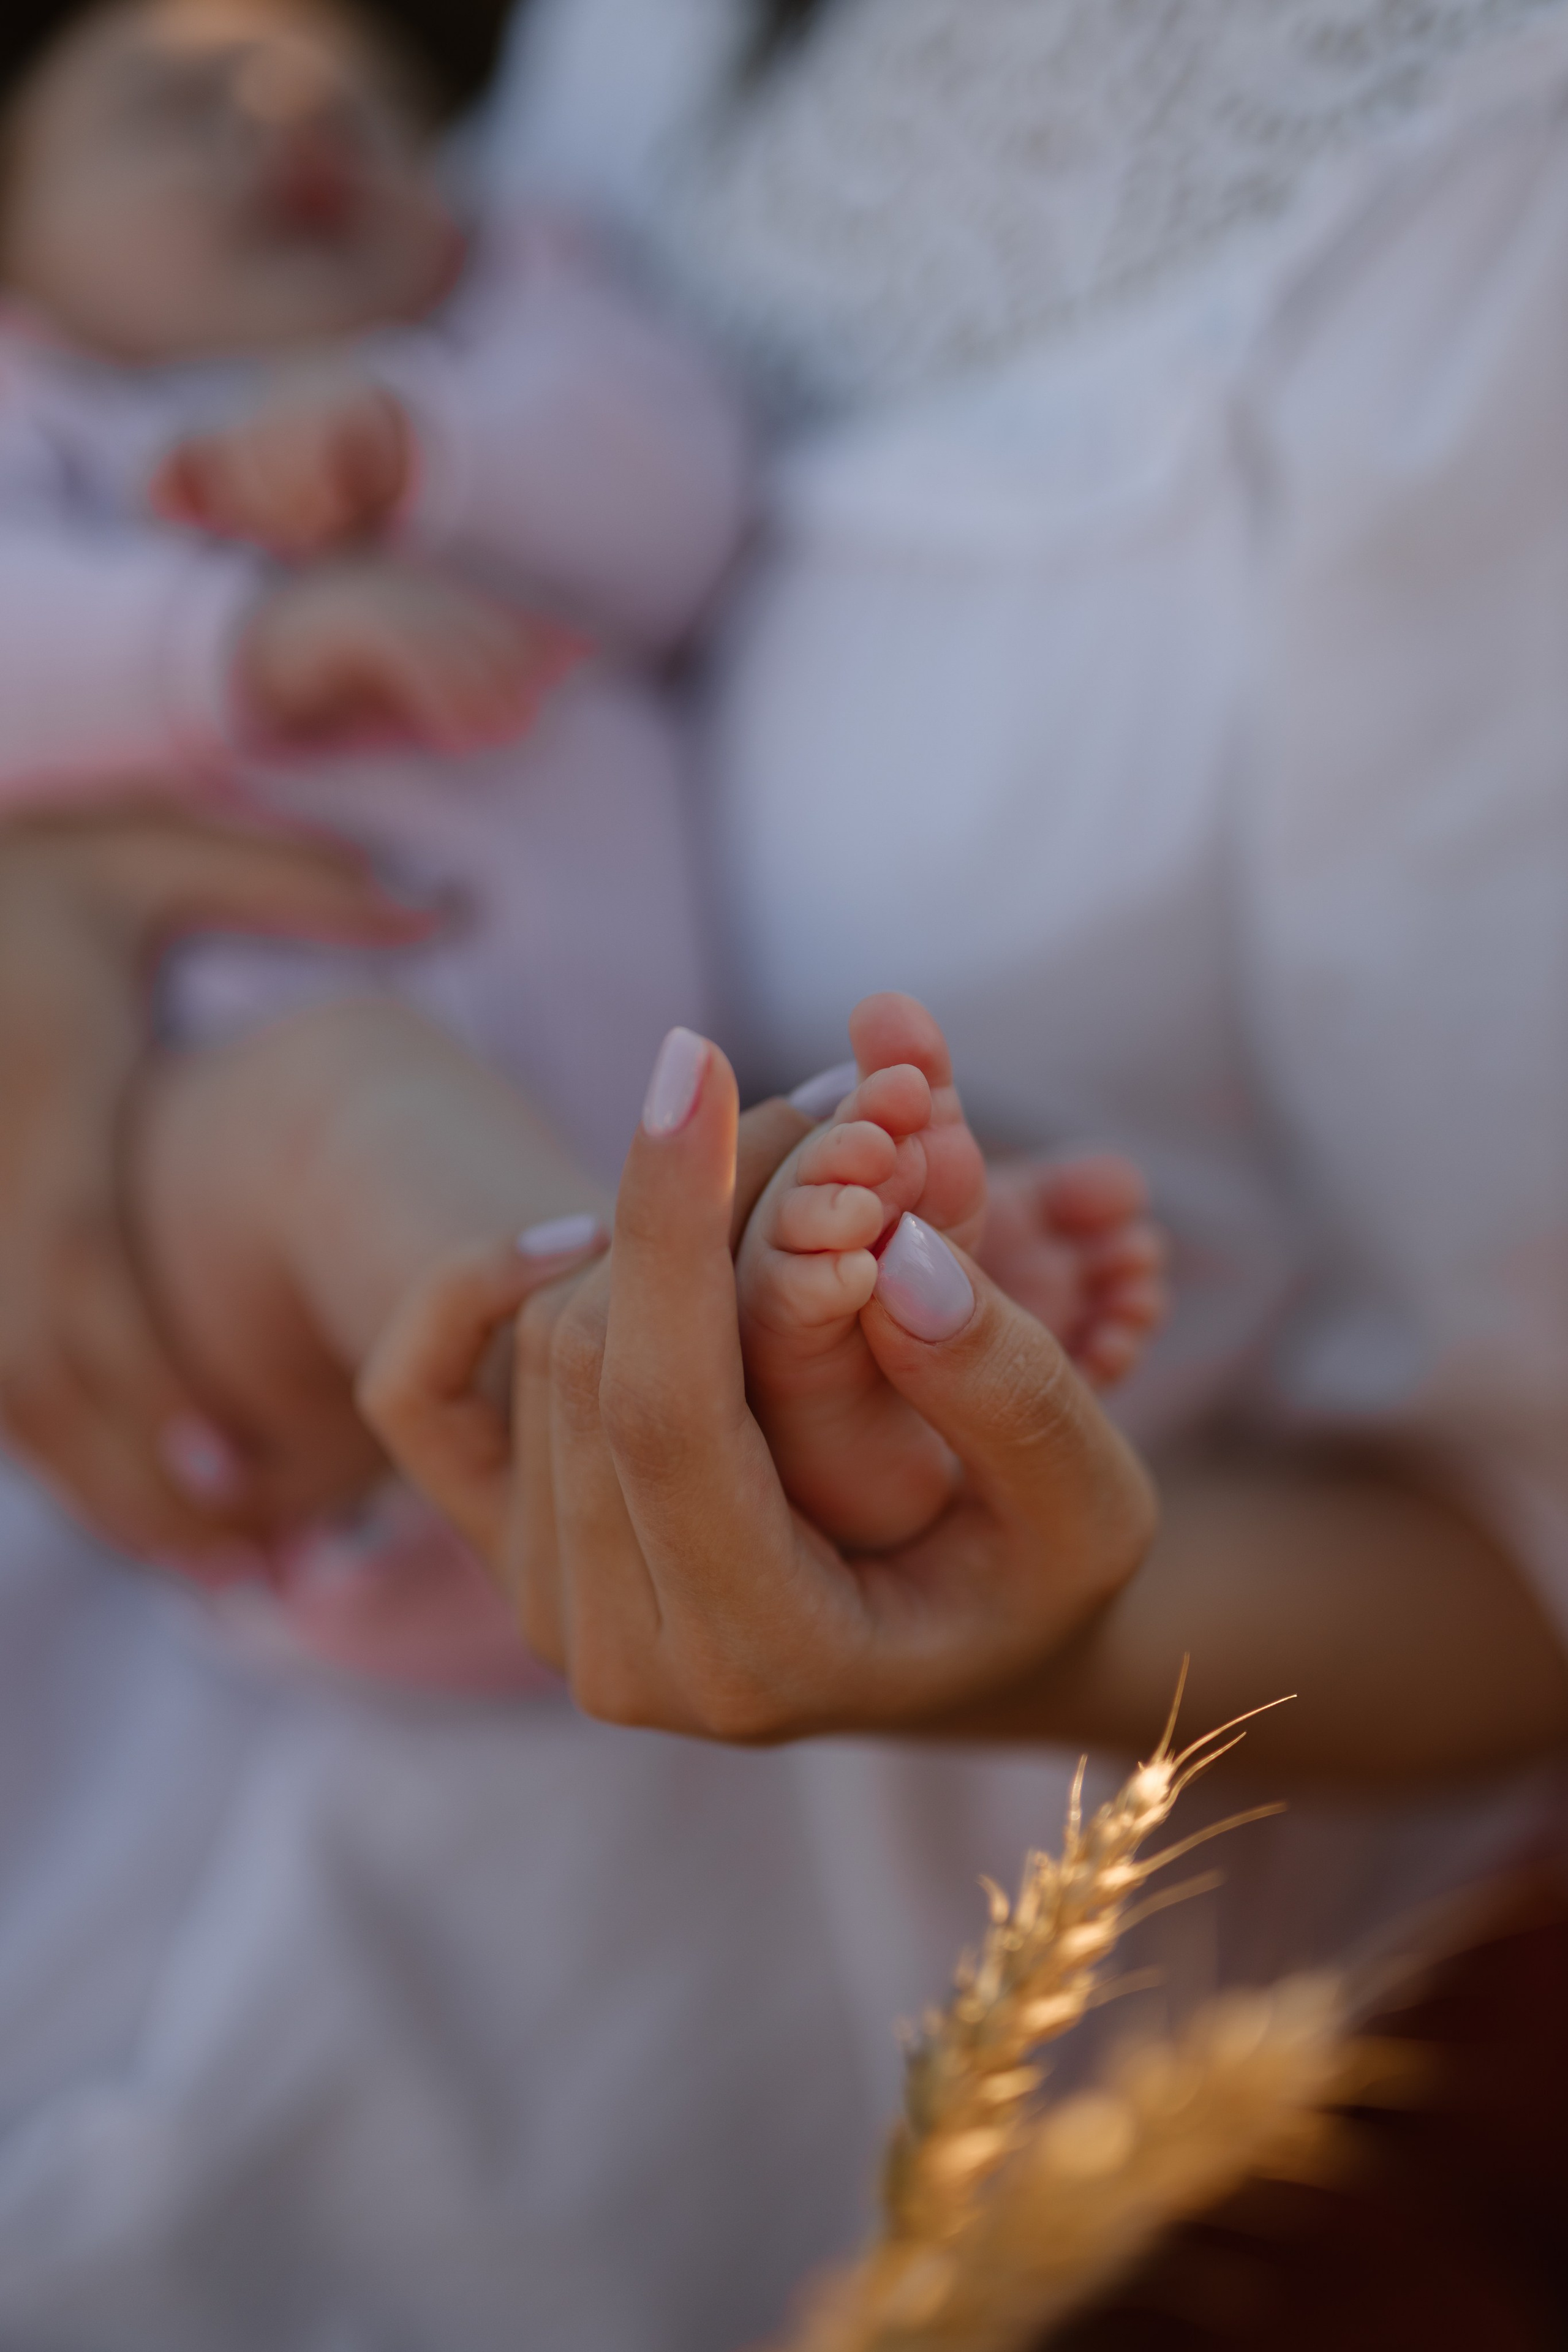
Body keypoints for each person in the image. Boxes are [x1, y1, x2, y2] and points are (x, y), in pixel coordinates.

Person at [1, 0, 1567, 2343]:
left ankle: (733, 1367)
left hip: (676, 1752)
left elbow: (664, 480)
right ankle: (668, 1338)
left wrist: (424, 450)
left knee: (479, 1105)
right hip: (185, 1338)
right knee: (354, 1099)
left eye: (334, 92)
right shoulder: (74, 416)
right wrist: (164, 734)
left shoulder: (497, 313)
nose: (283, 121)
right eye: (169, 107)